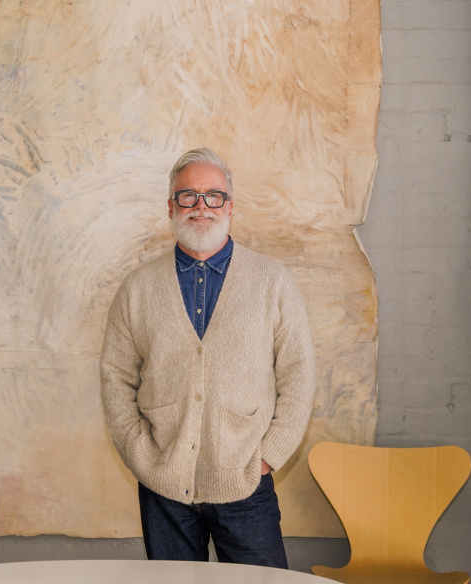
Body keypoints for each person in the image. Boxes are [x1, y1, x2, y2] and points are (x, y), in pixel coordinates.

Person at [100, 148, 316, 568]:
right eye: (188, 196)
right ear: (171, 207)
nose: (201, 206)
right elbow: (116, 377)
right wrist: (139, 453)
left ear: (230, 206)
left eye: (214, 196)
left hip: (245, 482)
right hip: (163, 487)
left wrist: (267, 456)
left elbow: (299, 375)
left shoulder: (273, 283)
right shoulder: (137, 289)